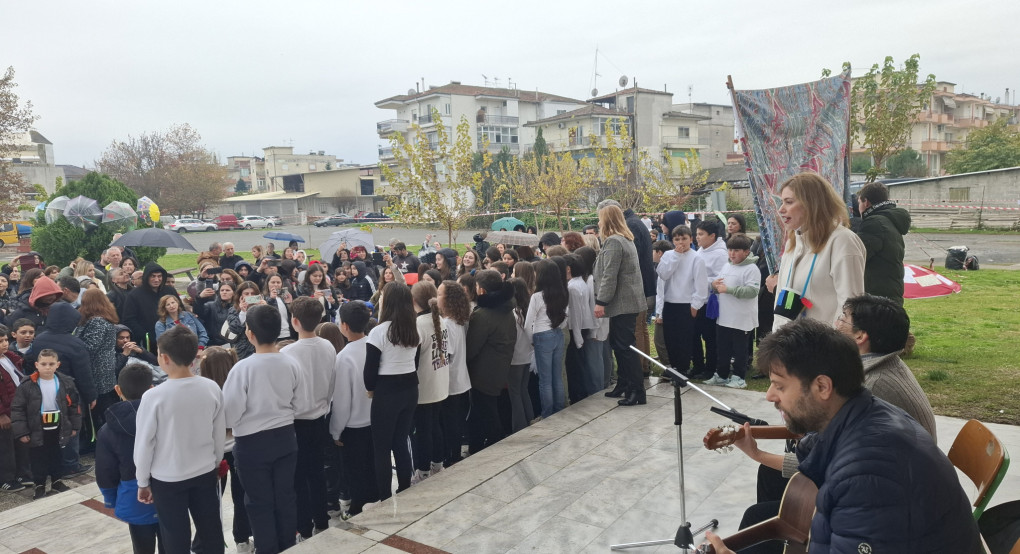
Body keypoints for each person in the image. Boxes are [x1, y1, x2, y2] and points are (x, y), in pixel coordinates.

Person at [701, 318, 980, 554]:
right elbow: (813, 452)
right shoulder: (864, 410)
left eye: (779, 385)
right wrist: (757, 452)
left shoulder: (868, 475)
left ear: (823, 386)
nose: (769, 396)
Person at [134, 326, 225, 554]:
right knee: (211, 530)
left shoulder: (154, 396)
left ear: (163, 358)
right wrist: (215, 463)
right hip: (204, 470)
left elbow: (145, 443)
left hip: (168, 478)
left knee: (175, 536)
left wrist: (142, 481)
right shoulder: (211, 387)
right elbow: (218, 432)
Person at [223, 304, 301, 554]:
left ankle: (267, 548)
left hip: (252, 445)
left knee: (258, 502)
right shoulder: (290, 362)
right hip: (286, 438)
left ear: (249, 334)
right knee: (285, 497)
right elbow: (298, 401)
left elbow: (230, 414)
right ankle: (288, 544)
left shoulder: (242, 368)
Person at [765, 173, 865, 331]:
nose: (781, 209)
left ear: (812, 204)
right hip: (788, 348)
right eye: (781, 202)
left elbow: (851, 307)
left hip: (824, 349)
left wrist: (832, 346)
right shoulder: (793, 242)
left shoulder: (842, 241)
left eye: (789, 202)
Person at [835, 294, 936, 439]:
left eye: (843, 318)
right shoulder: (889, 363)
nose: (836, 324)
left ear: (860, 336)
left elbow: (841, 444)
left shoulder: (871, 386)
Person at [278, 297, 336, 540]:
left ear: (294, 321)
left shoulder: (287, 352)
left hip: (297, 422)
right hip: (320, 418)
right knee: (317, 473)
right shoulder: (328, 346)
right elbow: (332, 384)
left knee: (299, 478)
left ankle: (304, 527)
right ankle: (321, 520)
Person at [96, 364, 163, 554]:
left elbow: (105, 469)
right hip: (168, 489)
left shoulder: (107, 430)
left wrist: (110, 498)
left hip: (134, 495)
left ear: (118, 390)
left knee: (142, 546)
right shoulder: (165, 418)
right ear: (151, 389)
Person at [363, 282, 419, 499]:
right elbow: (415, 359)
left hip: (386, 392)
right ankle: (405, 487)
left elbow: (370, 371)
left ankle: (384, 496)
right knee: (401, 440)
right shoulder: (413, 328)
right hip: (410, 388)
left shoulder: (378, 332)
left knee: (382, 447)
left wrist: (370, 389)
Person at [197, 347, 252, 553]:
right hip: (238, 448)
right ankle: (242, 540)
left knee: (211, 502)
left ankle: (206, 544)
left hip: (214, 455)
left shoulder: (204, 393)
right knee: (242, 496)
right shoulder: (239, 386)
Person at [594, 205, 647, 406]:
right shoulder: (623, 239)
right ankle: (624, 384)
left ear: (607, 220)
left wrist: (601, 302)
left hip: (622, 303)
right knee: (620, 345)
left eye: (600, 218)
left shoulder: (615, 242)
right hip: (625, 302)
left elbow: (610, 275)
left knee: (625, 347)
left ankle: (637, 391)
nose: (598, 222)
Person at [11, 349, 82, 499]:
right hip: (37, 427)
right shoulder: (27, 384)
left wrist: (74, 426)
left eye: (51, 364)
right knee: (38, 457)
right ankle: (40, 485)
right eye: (44, 364)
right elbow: (18, 409)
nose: (47, 367)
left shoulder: (66, 382)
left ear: (58, 364)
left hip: (59, 425)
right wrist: (22, 432)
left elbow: (74, 405)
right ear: (37, 365)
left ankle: (57, 481)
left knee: (57, 454)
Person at [329, 301, 378, 516]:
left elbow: (341, 401)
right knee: (374, 468)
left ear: (344, 326)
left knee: (356, 473)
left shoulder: (344, 358)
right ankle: (377, 502)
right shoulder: (375, 347)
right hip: (376, 421)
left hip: (354, 426)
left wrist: (335, 431)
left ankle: (358, 509)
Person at [465, 270, 515, 452]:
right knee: (485, 410)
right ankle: (477, 445)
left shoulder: (483, 315)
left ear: (482, 291)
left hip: (484, 372)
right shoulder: (506, 307)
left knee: (486, 411)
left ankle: (493, 444)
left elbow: (472, 348)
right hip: (498, 367)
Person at [701, 234, 760, 389]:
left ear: (747, 252)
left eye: (736, 250)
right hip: (725, 316)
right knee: (723, 348)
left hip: (742, 318)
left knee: (740, 350)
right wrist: (714, 285)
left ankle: (739, 377)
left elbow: (752, 291)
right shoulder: (727, 265)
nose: (732, 253)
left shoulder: (752, 269)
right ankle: (721, 375)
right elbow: (719, 283)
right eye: (730, 250)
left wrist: (729, 290)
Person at [655, 224, 706, 382]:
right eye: (677, 239)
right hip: (670, 303)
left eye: (684, 239)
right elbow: (663, 274)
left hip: (686, 304)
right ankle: (675, 367)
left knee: (684, 339)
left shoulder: (696, 258)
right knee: (670, 339)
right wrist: (676, 256)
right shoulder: (669, 255)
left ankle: (683, 369)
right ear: (672, 241)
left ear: (691, 239)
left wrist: (695, 305)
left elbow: (701, 285)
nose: (681, 242)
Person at [410, 281, 449, 482]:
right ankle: (438, 464)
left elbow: (413, 361)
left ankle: (423, 471)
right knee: (435, 426)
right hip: (438, 382)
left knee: (423, 431)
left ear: (413, 300)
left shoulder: (417, 325)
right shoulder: (440, 319)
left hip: (424, 386)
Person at [75, 289, 120, 439]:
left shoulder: (97, 321)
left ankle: (101, 439)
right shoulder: (103, 319)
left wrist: (74, 345)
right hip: (105, 368)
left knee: (101, 407)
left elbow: (90, 347)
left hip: (98, 370)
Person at [436, 280, 472, 466]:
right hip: (459, 379)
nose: (436, 296)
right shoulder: (456, 320)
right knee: (453, 421)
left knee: (450, 424)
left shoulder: (448, 324)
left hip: (451, 382)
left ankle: (452, 457)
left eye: (440, 294)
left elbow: (446, 356)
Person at [856, 183, 910, 304]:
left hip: (876, 296)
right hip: (888, 293)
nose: (858, 207)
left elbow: (857, 256)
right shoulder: (888, 219)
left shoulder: (874, 223)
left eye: (859, 202)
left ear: (866, 203)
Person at [526, 260, 568, 418]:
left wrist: (531, 340)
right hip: (557, 333)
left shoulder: (537, 296)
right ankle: (559, 408)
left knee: (545, 380)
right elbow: (565, 318)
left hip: (541, 335)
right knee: (557, 375)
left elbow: (528, 323)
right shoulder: (563, 293)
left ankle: (547, 413)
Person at [691, 217, 728, 379]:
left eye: (701, 234)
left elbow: (719, 279)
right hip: (696, 300)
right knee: (693, 335)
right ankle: (697, 365)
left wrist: (700, 280)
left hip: (710, 302)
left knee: (710, 337)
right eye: (696, 234)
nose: (697, 237)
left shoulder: (720, 254)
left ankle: (710, 368)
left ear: (712, 236)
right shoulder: (701, 250)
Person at [0, 325, 32, 491]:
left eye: (6, 340)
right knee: (5, 447)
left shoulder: (10, 358)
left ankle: (23, 473)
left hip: (17, 407)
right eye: (0, 341)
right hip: (4, 412)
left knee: (21, 442)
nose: (5, 344)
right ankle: (6, 479)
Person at [122, 263, 180, 354]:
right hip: (150, 342)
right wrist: (147, 335)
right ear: (146, 277)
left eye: (159, 276)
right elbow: (129, 319)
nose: (156, 279)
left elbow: (181, 310)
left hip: (175, 336)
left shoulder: (169, 290)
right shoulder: (135, 295)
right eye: (153, 276)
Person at [507, 278, 535, 431]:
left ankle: (519, 427)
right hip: (528, 355)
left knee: (515, 393)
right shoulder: (528, 308)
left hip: (516, 357)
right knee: (523, 389)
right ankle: (529, 419)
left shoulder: (513, 313)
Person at [226, 282, 262, 360]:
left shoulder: (262, 307)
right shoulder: (234, 309)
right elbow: (234, 329)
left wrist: (265, 308)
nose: (250, 296)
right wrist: (243, 312)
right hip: (243, 351)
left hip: (261, 347)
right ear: (240, 296)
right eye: (246, 294)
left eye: (253, 293)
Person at [196, 281, 234, 347]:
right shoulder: (211, 306)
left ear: (234, 292)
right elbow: (199, 312)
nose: (224, 292)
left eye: (227, 290)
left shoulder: (238, 307)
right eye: (222, 290)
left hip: (234, 343)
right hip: (215, 344)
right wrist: (200, 298)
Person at [262, 274, 294, 341]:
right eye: (273, 282)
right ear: (267, 284)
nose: (276, 285)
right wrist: (272, 299)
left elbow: (292, 314)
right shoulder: (263, 298)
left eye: (278, 282)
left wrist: (290, 304)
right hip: (274, 336)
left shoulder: (285, 296)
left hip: (288, 334)